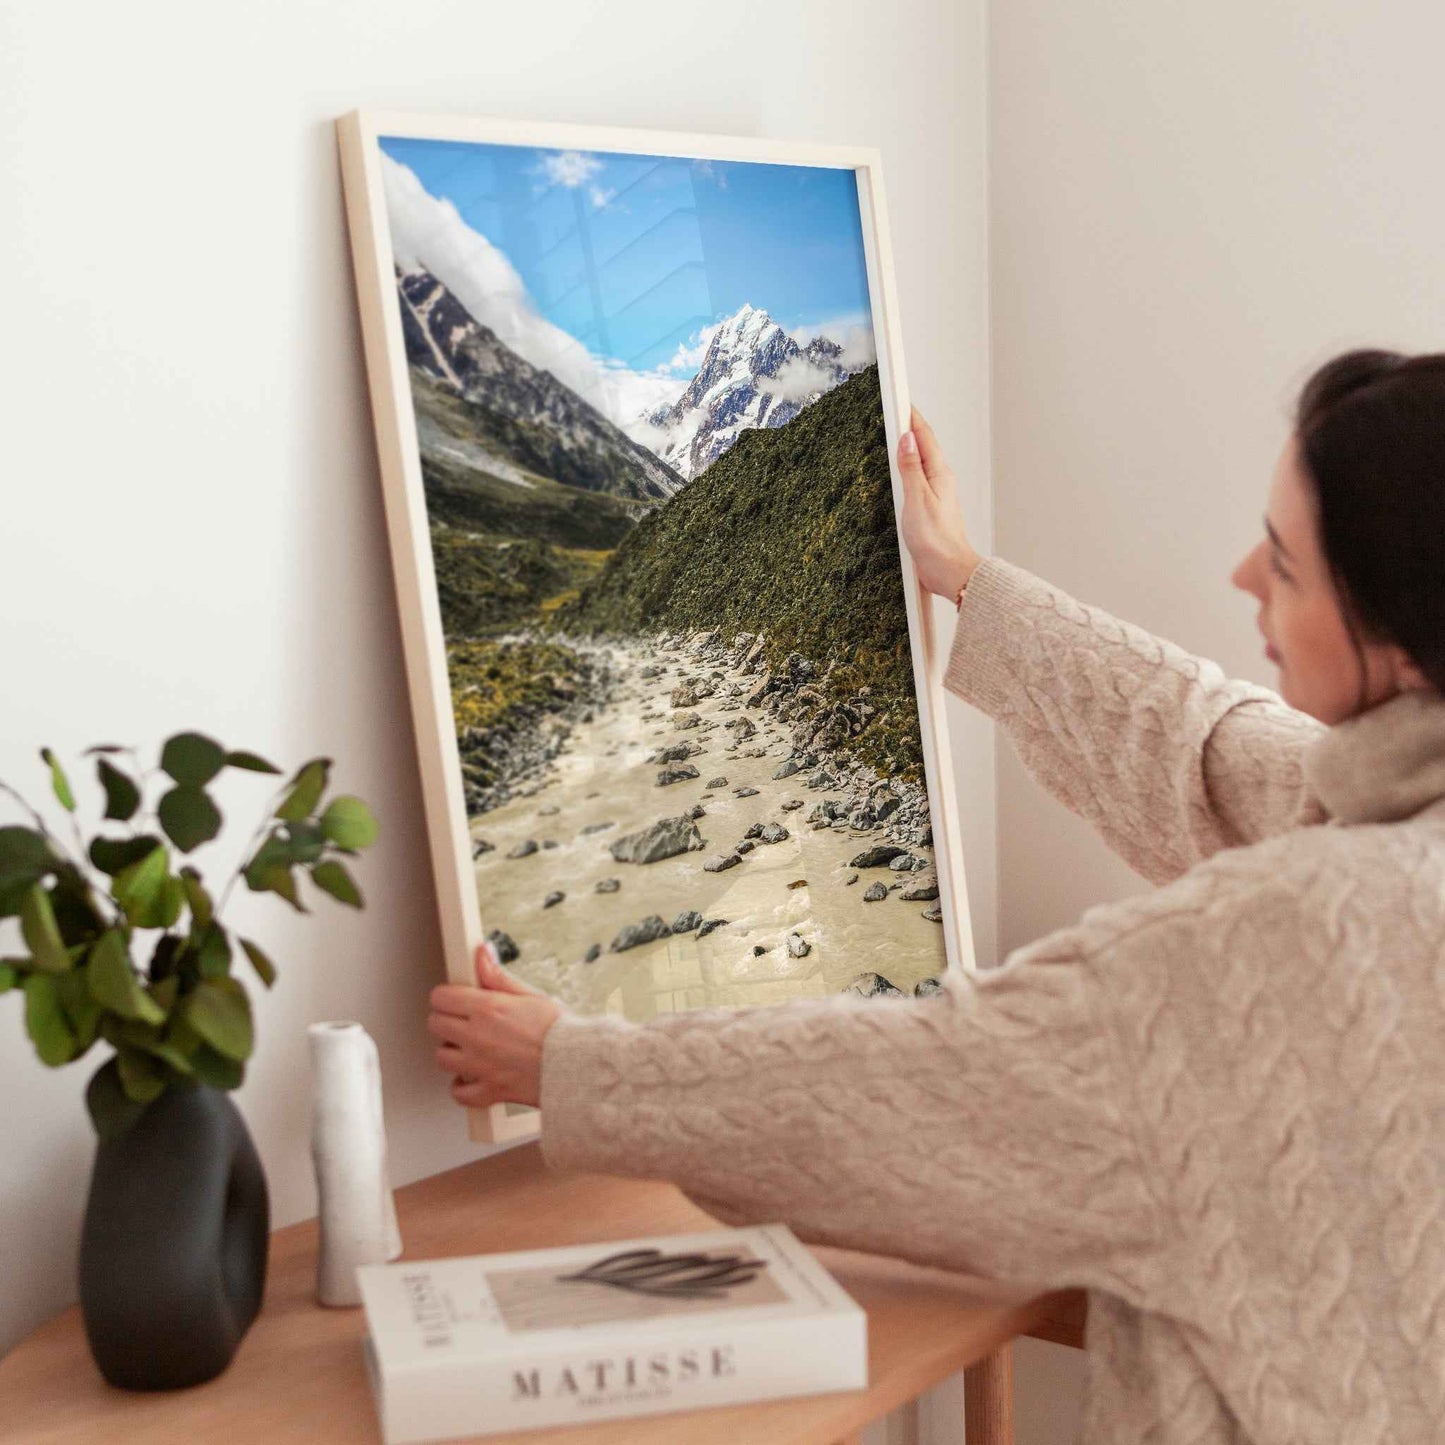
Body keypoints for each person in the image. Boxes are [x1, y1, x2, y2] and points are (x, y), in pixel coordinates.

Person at [427, 349, 1445, 1443]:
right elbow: (1205, 748)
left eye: (1284, 563)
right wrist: (964, 578)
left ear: (1399, 638)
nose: (1244, 574)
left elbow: (922, 1084)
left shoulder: (1283, 938)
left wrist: (568, 1066)